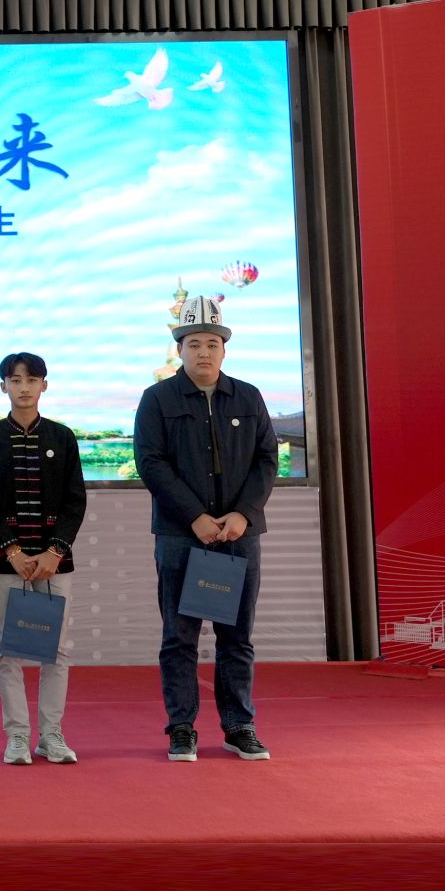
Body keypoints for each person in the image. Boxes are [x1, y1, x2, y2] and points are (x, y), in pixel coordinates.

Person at [134, 295, 279, 764]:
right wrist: (194, 516)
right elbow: (150, 463)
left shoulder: (248, 397)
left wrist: (243, 515)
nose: (203, 352)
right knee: (179, 637)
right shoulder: (157, 399)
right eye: (193, 343)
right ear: (179, 349)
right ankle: (181, 728)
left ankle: (239, 727)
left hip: (239, 535)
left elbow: (266, 460)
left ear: (224, 349)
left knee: (237, 637)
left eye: (212, 344)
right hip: (181, 535)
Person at [0, 351, 88, 766]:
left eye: (32, 380)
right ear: (3, 386)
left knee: (57, 650)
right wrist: (13, 551)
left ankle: (51, 735)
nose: (24, 387)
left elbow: (75, 501)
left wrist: (55, 551)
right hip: (9, 563)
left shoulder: (62, 437)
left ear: (44, 386)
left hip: (55, 563)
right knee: (9, 649)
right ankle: (17, 736)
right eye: (15, 380)